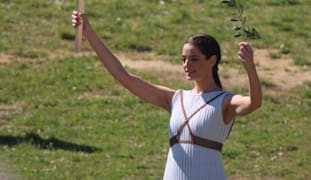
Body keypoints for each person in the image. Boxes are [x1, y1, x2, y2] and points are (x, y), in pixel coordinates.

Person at [71, 11, 262, 180]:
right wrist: (89, 33)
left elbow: (254, 103)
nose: (187, 65)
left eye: (194, 59)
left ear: (212, 60)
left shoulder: (224, 101)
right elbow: (123, 76)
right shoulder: (175, 99)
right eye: (184, 59)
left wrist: (250, 68)